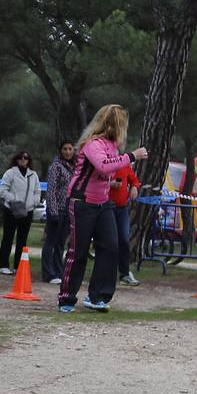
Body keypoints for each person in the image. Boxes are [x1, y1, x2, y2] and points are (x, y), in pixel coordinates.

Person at [59, 105, 148, 313]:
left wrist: (131, 183)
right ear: (114, 125)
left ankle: (98, 296)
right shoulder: (93, 144)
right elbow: (103, 166)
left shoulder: (112, 146)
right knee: (78, 251)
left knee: (110, 247)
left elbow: (114, 167)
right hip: (82, 202)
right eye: (122, 125)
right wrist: (132, 156)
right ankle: (66, 298)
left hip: (103, 202)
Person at [0, 149, 41, 276]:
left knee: (22, 240)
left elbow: (37, 191)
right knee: (8, 237)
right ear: (16, 159)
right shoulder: (10, 173)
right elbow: (3, 190)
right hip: (11, 210)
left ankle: (18, 266)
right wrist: (14, 200)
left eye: (26, 158)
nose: (23, 160)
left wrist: (34, 202)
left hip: (28, 211)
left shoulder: (33, 175)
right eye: (21, 158)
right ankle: (3, 265)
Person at [41, 140, 76, 285]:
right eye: (65, 149)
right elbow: (51, 190)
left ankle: (58, 270)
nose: (68, 151)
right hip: (56, 210)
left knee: (61, 243)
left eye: (70, 149)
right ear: (60, 150)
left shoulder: (74, 168)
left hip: (68, 210)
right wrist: (53, 211)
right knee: (51, 242)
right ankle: (48, 273)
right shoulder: (56, 166)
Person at [108, 161, 142, 286]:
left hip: (122, 208)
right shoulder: (104, 163)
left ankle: (125, 273)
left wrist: (134, 187)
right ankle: (107, 272)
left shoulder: (124, 165)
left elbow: (135, 180)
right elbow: (95, 183)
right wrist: (109, 184)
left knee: (124, 240)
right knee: (110, 242)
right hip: (107, 208)